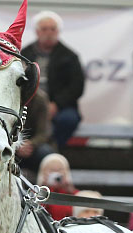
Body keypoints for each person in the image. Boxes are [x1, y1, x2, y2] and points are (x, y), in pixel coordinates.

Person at [21, 10, 85, 148]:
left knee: (68, 120)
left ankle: (52, 148)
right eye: (44, 29)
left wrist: (56, 105)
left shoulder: (70, 56)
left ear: (58, 31)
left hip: (60, 106)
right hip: (29, 105)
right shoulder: (25, 54)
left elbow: (77, 87)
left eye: (53, 29)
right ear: (37, 32)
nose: (49, 33)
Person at [16, 89, 56, 176]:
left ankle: (45, 186)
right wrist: (17, 145)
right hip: (12, 146)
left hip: (33, 147)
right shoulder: (7, 97)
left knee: (47, 155)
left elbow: (44, 132)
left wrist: (30, 144)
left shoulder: (40, 99)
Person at [37, 153, 77, 221]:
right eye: (51, 170)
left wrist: (69, 188)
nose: (56, 173)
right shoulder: (35, 194)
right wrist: (44, 188)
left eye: (60, 169)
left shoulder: (74, 193)